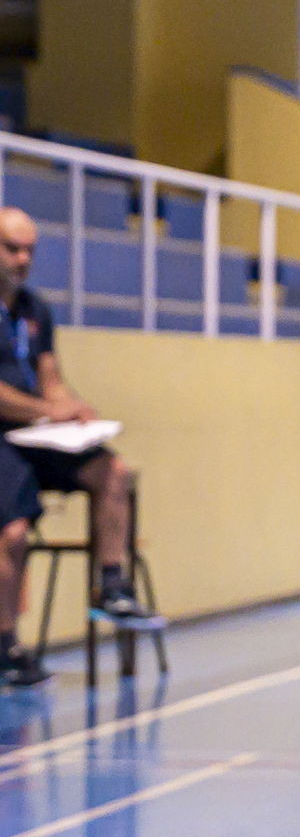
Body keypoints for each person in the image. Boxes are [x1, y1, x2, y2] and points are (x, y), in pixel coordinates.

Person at [0, 206, 155, 687]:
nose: (23, 259)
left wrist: (74, 408)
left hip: (41, 437)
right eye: (12, 248)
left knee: (113, 471)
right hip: (2, 438)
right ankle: (6, 645)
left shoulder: (35, 310)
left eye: (30, 250)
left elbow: (51, 378)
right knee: (12, 535)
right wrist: (48, 411)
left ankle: (111, 585)